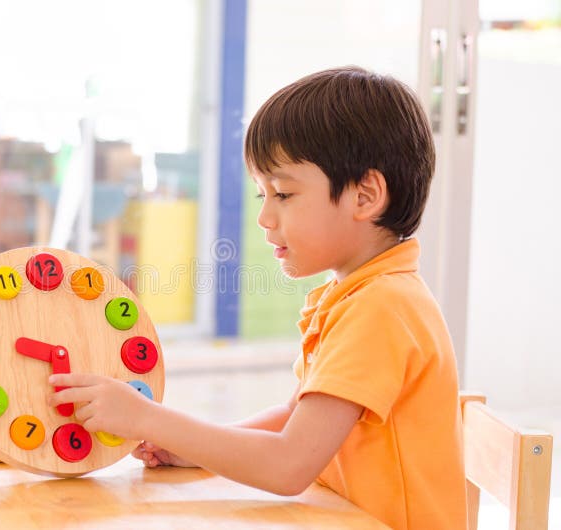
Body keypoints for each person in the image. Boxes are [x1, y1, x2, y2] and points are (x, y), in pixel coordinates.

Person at [49, 66, 467, 530]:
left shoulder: (382, 307)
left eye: (284, 193)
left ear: (365, 196)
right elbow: (297, 417)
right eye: (261, 195)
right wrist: (196, 449)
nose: (265, 217)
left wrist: (147, 419)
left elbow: (288, 465)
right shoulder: (360, 294)